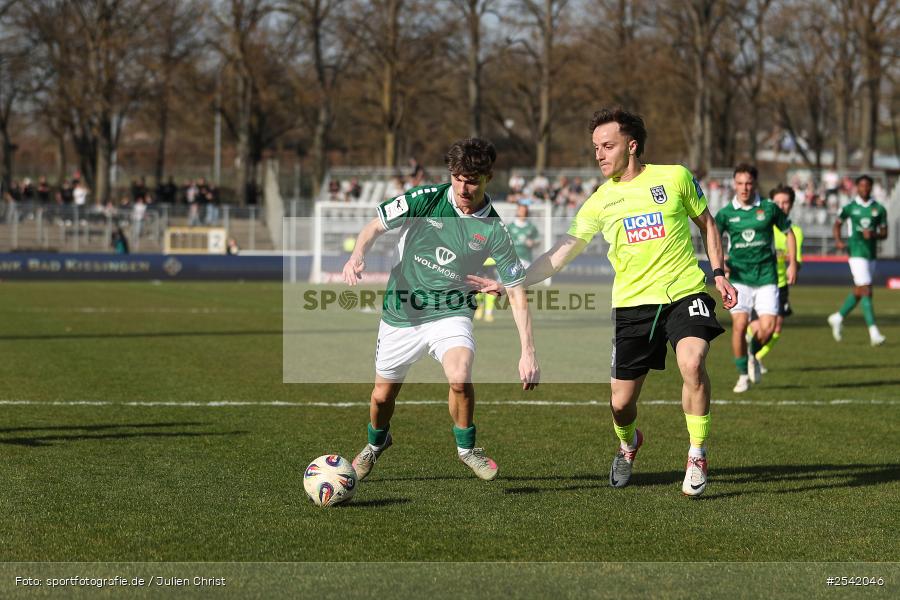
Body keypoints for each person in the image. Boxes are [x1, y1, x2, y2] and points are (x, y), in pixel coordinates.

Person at [470, 108, 737, 497]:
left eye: (607, 145)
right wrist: (512, 279)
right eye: (595, 147)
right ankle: (628, 445)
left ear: (631, 146)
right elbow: (559, 254)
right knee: (621, 404)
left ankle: (697, 452)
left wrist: (719, 273)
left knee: (692, 362)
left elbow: (708, 223)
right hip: (632, 307)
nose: (599, 154)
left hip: (685, 293)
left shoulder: (675, 177)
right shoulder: (599, 201)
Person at [342, 138, 539, 482]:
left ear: (488, 178)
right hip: (402, 311)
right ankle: (376, 444)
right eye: (459, 178)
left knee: (460, 376)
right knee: (381, 396)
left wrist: (528, 351)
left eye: (473, 180)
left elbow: (517, 288)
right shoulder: (425, 199)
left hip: (451, 310)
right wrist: (358, 254)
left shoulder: (494, 229)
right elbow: (374, 225)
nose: (464, 187)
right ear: (451, 174)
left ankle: (467, 448)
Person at [715, 164, 797, 393]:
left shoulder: (769, 209)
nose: (744, 188)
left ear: (755, 184)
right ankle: (742, 375)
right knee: (739, 325)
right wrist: (720, 267)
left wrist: (792, 264)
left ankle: (752, 353)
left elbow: (789, 233)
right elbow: (713, 240)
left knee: (768, 328)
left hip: (767, 277)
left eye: (748, 183)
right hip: (739, 277)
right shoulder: (725, 214)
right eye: (740, 183)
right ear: (734, 184)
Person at [827, 175, 888, 346]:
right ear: (857, 187)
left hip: (871, 254)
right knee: (866, 289)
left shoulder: (879, 209)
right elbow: (837, 224)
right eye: (861, 186)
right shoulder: (850, 208)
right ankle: (874, 333)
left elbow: (885, 232)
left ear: (871, 187)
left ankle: (838, 317)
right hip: (855, 252)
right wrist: (838, 240)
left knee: (863, 289)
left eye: (868, 186)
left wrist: (874, 234)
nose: (865, 189)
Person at [750, 184, 804, 373]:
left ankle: (755, 356)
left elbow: (796, 261)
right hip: (757, 282)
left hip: (780, 284)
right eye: (777, 202)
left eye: (786, 202)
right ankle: (752, 355)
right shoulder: (762, 224)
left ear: (791, 205)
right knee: (758, 326)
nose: (781, 206)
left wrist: (793, 265)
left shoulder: (795, 232)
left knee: (776, 327)